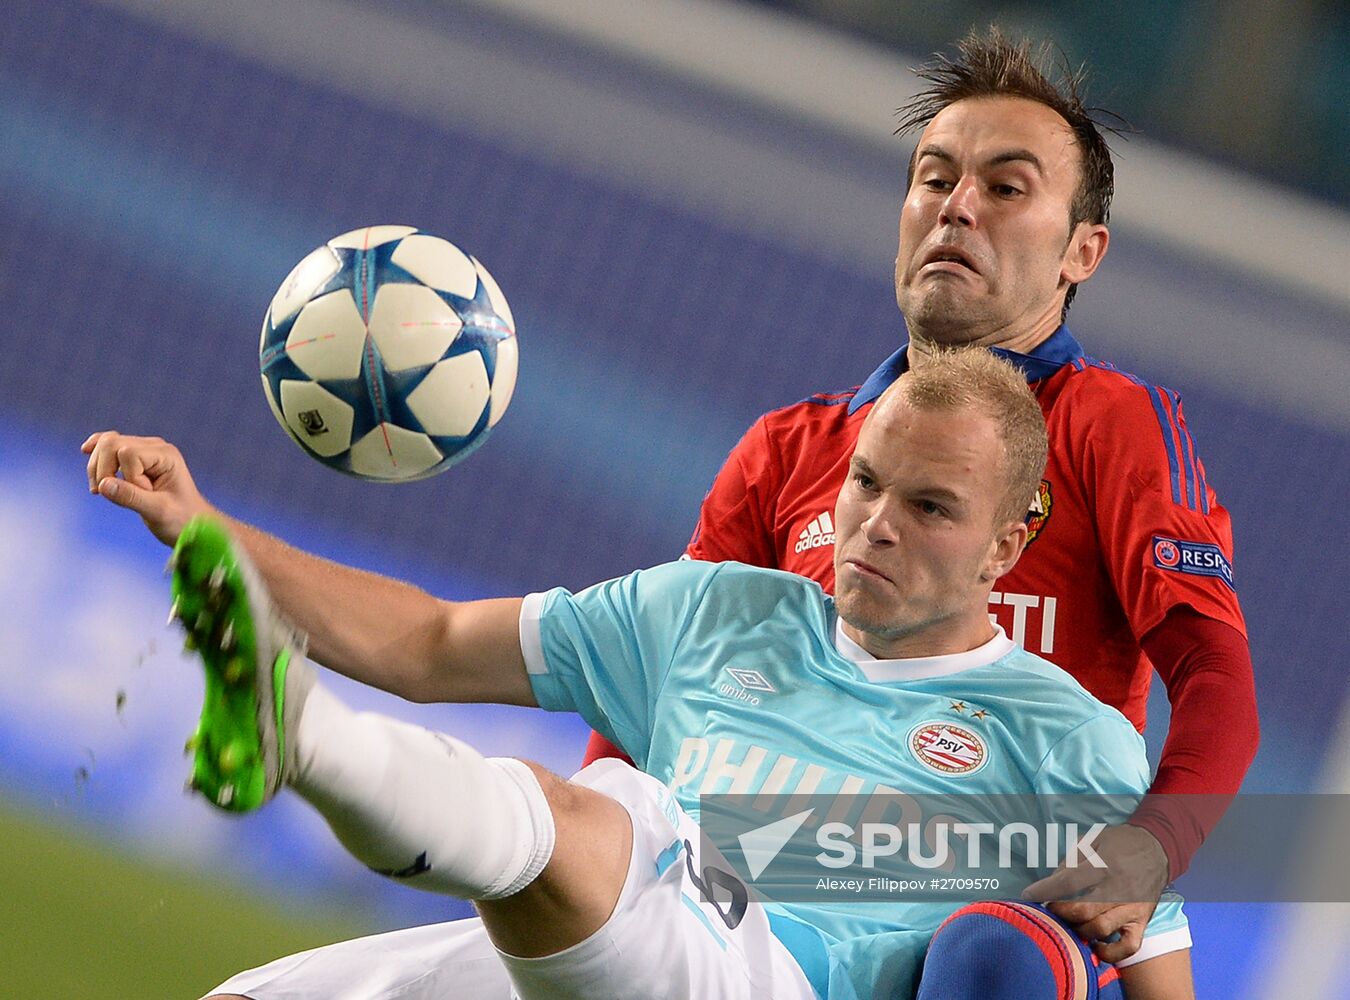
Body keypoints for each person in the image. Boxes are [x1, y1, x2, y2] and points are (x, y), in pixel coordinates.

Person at [84, 350, 1194, 999]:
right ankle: (307, 733)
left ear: (1007, 544)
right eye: (865, 483)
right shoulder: (715, 609)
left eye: (931, 507)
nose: (874, 525)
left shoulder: (1072, 742)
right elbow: (427, 644)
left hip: (772, 980)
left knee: (608, 815)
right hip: (600, 946)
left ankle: (304, 738)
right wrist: (204, 530)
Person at [582, 28, 1258, 956]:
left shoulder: (1114, 428)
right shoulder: (790, 448)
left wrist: (1152, 849)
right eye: (936, 178)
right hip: (768, 915)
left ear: (1082, 251)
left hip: (984, 921)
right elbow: (651, 689)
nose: (958, 208)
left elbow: (1217, 682)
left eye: (1007, 187)